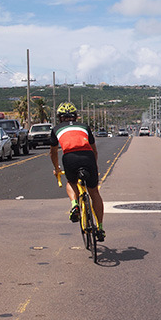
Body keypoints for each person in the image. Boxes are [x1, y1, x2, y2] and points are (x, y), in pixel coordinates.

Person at [50, 102, 105, 241]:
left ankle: (75, 205)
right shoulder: (84, 127)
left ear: (60, 118)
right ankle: (100, 227)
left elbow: (53, 153)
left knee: (71, 182)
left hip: (70, 157)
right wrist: (95, 165)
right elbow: (94, 149)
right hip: (88, 157)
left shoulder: (56, 129)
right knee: (94, 192)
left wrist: (57, 169)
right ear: (75, 117)